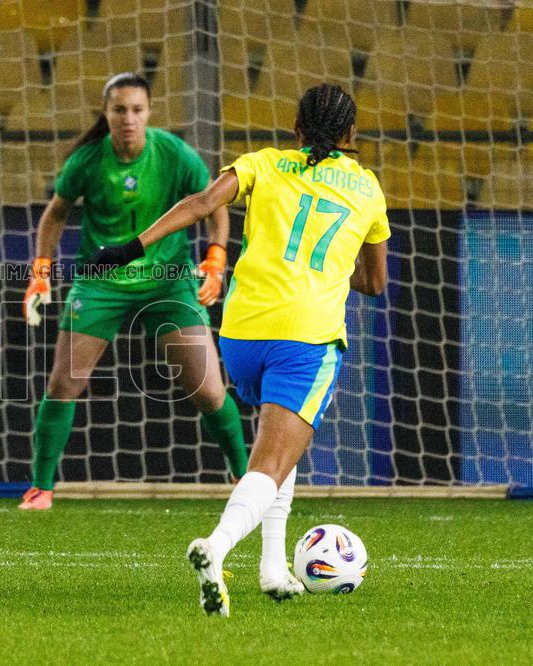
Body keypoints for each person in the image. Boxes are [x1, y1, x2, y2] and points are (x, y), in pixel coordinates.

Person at [86, 83, 390, 616]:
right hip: (308, 336)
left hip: (243, 334)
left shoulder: (264, 164)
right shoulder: (367, 189)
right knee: (273, 458)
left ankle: (273, 570)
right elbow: (374, 281)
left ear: (296, 130)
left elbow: (201, 203)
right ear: (350, 135)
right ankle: (217, 547)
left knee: (278, 444)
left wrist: (131, 247)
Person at [20, 72, 248, 510]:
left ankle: (244, 479)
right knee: (65, 381)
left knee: (208, 390)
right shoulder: (88, 160)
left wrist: (216, 259)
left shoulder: (174, 153)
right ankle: (41, 488)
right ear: (105, 114)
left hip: (168, 279)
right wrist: (41, 270)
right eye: (119, 110)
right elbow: (54, 215)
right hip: (101, 281)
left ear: (149, 113)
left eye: (137, 110)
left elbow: (213, 206)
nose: (129, 119)